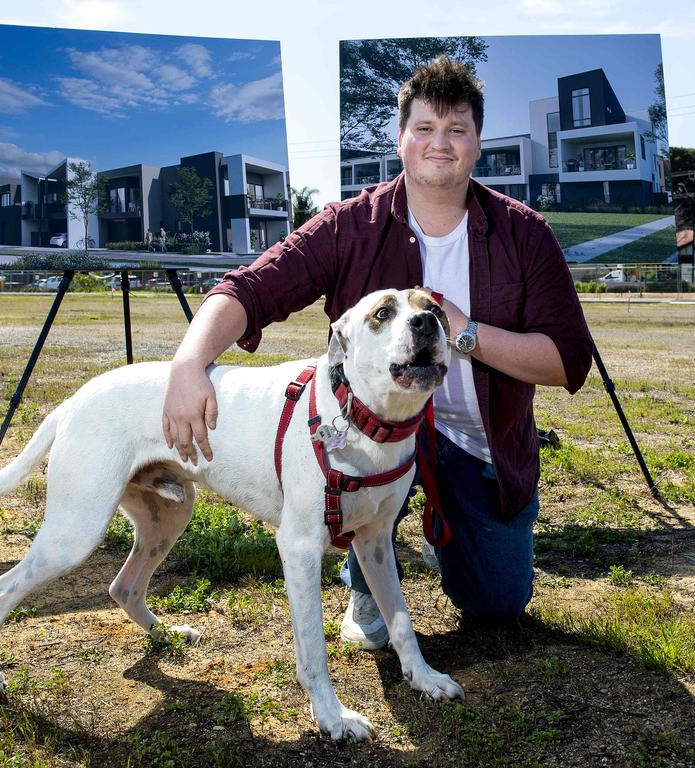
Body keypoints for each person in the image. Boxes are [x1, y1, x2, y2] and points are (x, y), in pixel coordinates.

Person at [162, 56, 592, 648]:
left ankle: (451, 538)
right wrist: (188, 364)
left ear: (477, 142)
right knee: (356, 455)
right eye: (424, 129)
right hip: (367, 433)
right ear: (401, 139)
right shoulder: (348, 225)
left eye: (456, 130)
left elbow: (568, 359)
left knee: (497, 605)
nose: (439, 143)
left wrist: (463, 332)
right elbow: (250, 287)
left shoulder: (526, 233)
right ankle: (365, 579)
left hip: (476, 439)